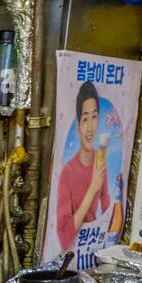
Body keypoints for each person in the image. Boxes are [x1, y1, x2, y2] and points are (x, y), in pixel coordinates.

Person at [55, 81, 110, 252]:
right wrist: (93, 189)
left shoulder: (99, 161)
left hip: (95, 249)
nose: (90, 127)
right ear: (78, 125)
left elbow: (107, 207)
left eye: (94, 117)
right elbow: (63, 237)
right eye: (85, 119)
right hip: (73, 255)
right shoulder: (67, 173)